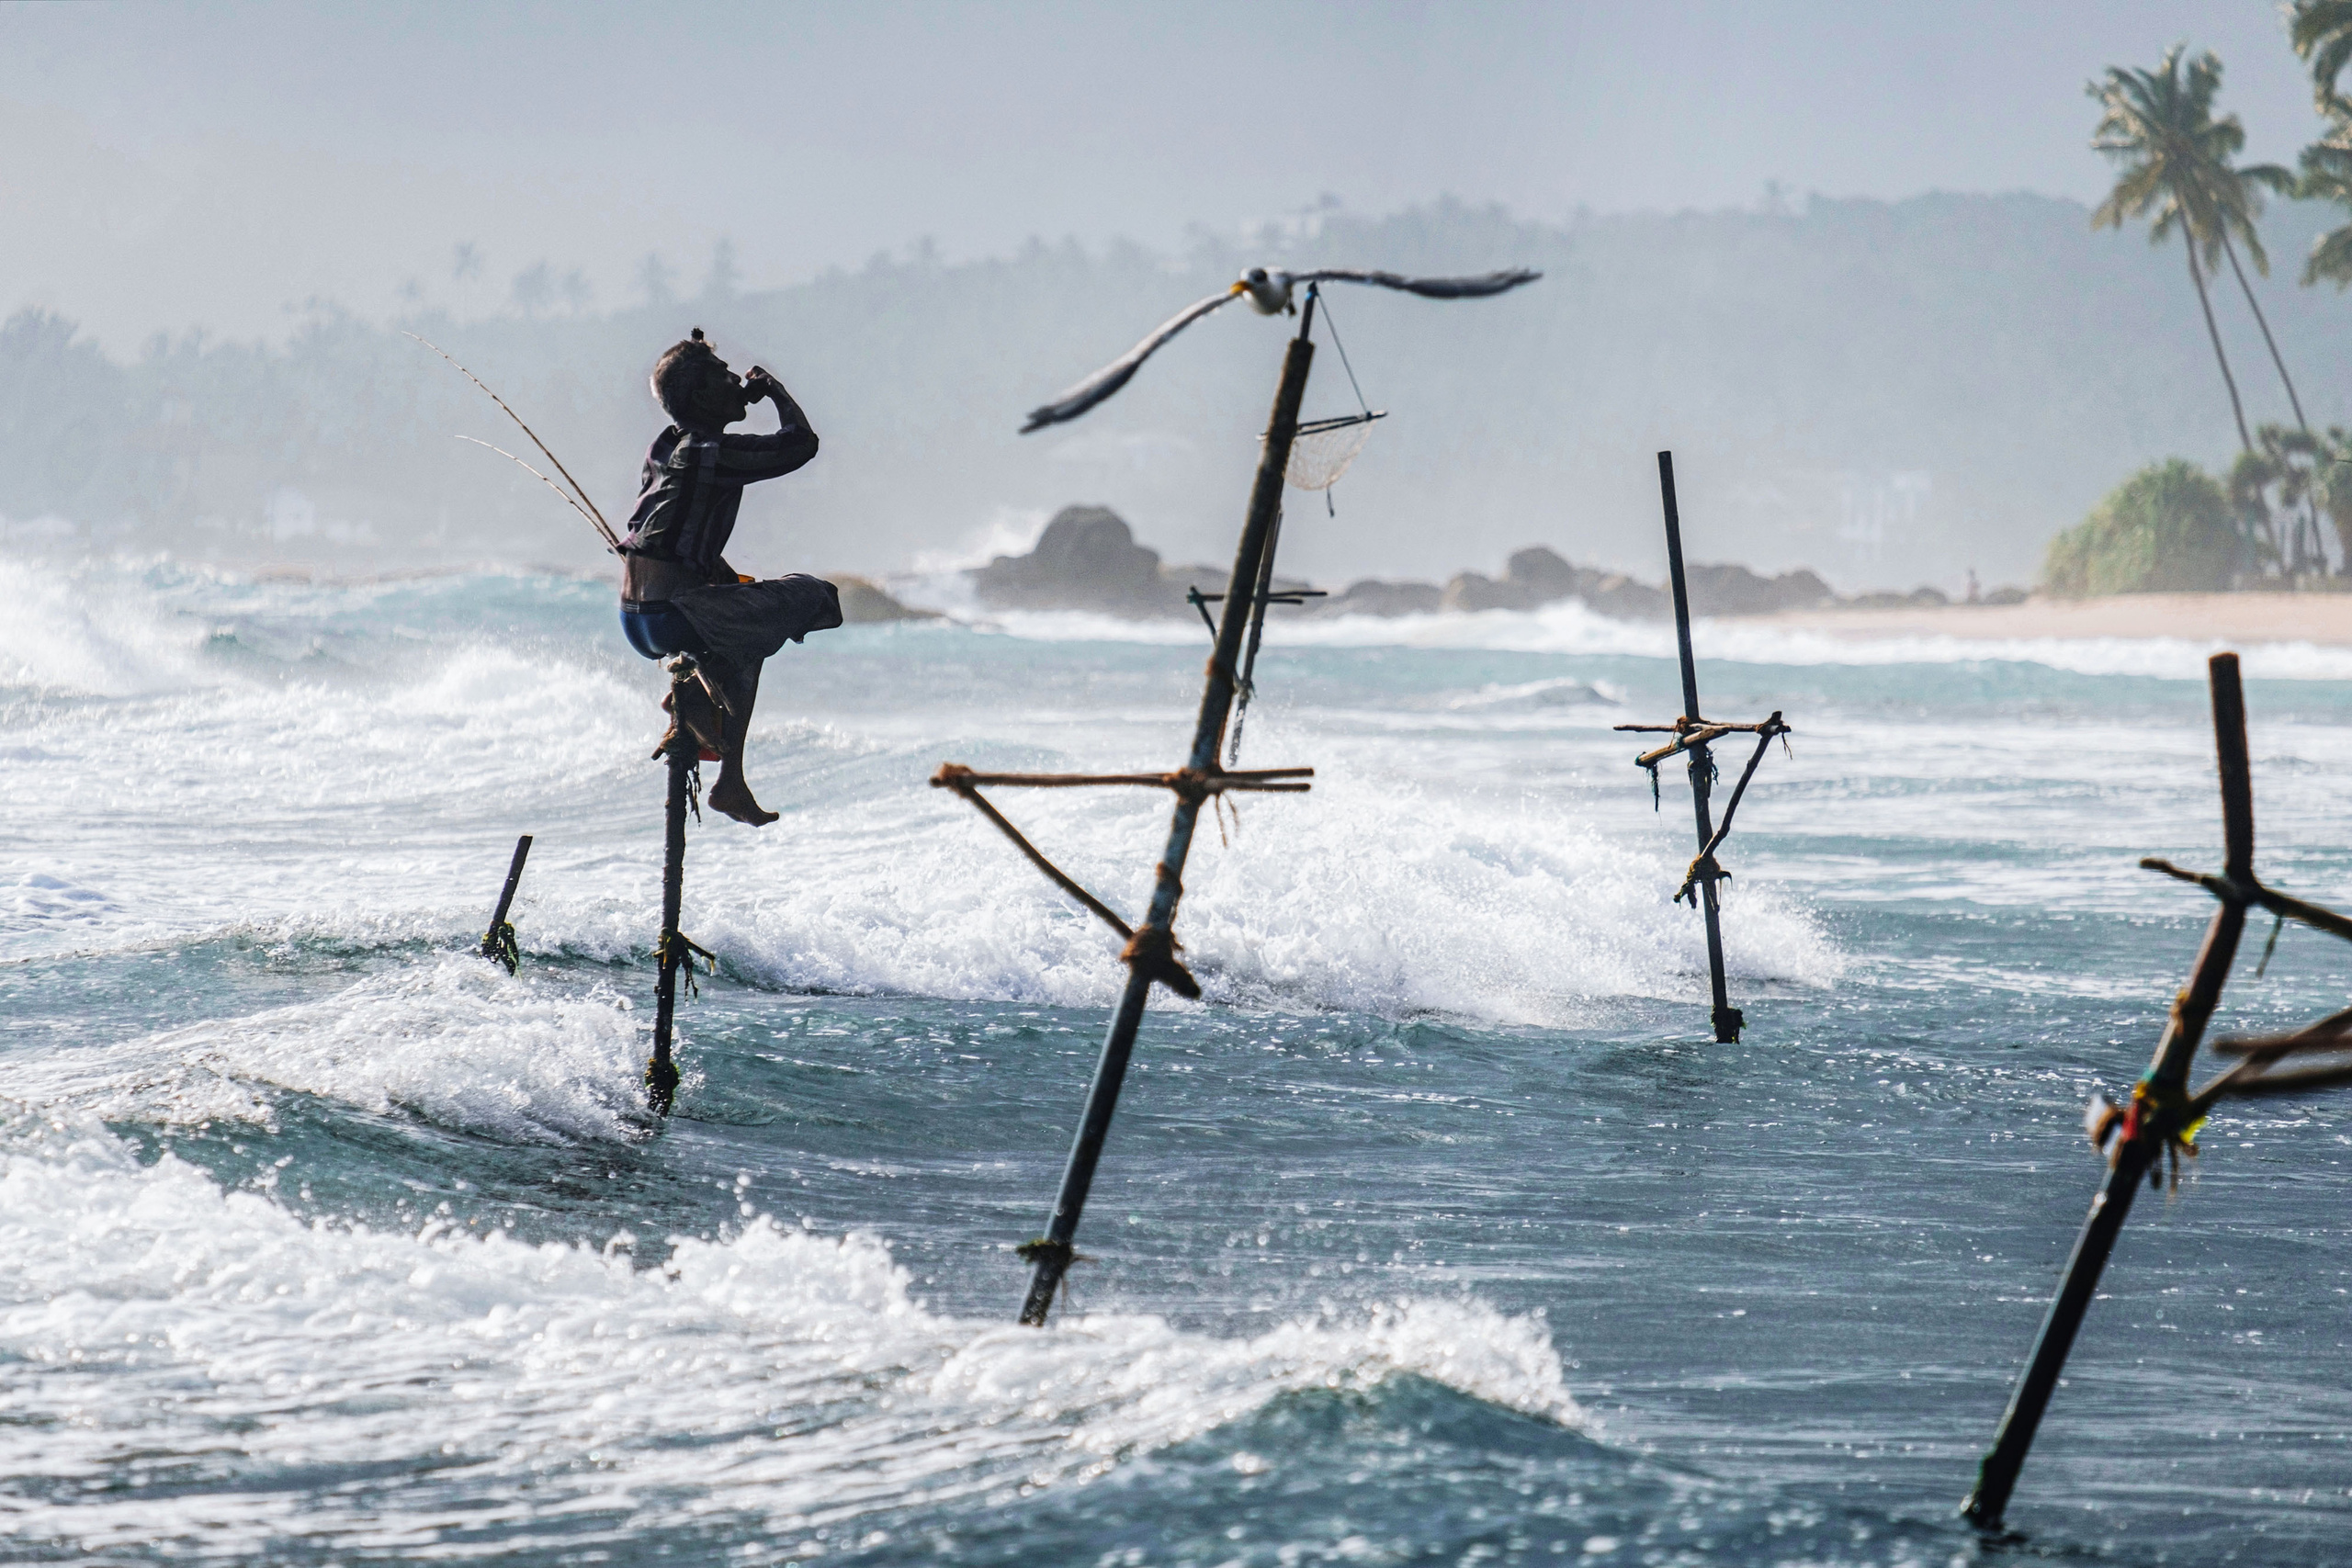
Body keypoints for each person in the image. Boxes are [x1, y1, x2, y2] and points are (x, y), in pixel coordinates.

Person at [619, 329, 842, 825]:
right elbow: (800, 445)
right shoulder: (707, 453)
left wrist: (725, 581)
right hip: (674, 616)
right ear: (701, 397)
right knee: (814, 596)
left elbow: (671, 537)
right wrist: (777, 391)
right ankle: (724, 765)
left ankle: (717, 745)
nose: (738, 380)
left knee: (748, 620)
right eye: (724, 377)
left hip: (638, 617)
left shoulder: (666, 447)